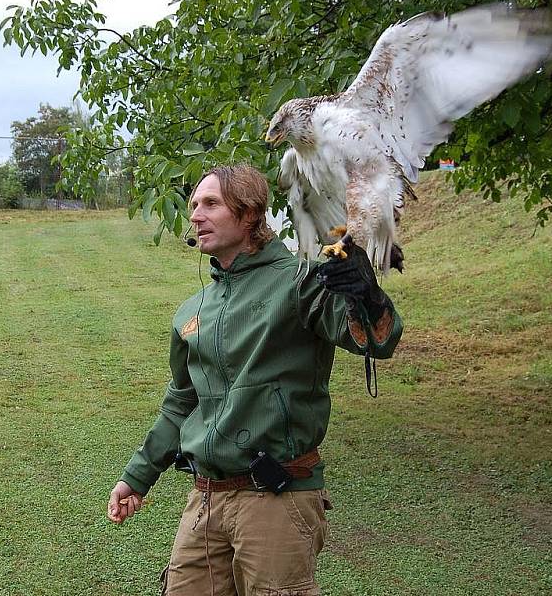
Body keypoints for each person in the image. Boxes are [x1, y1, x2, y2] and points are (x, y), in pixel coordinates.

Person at [107, 164, 403, 595]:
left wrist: (368, 295)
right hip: (205, 498)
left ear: (249, 214)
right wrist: (136, 477)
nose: (195, 215)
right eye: (193, 205)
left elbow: (377, 340)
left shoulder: (301, 281)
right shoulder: (194, 309)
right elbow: (180, 404)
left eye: (210, 204)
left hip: (276, 500)